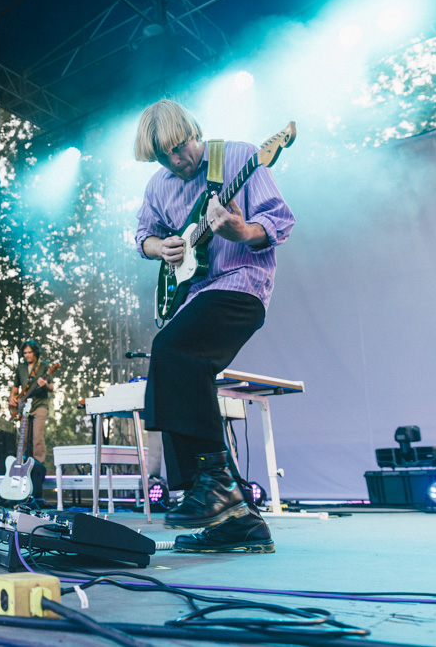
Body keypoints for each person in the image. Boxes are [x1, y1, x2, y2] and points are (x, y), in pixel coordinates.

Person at [133, 99, 295, 553]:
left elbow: (279, 219)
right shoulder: (158, 185)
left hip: (243, 284)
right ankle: (239, 519)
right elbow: (142, 235)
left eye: (179, 148)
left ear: (192, 132)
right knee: (175, 369)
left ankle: (214, 482)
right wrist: (158, 248)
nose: (175, 161)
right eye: (163, 156)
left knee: (172, 351)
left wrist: (242, 233)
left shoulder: (240, 156)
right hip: (195, 293)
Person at [7, 340, 55, 499]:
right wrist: (12, 398)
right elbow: (15, 387)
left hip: (40, 404)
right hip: (23, 405)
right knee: (23, 437)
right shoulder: (20, 368)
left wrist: (45, 384)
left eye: (29, 352)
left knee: (37, 437)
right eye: (25, 353)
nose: (27, 355)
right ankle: (20, 468)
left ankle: (38, 468)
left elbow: (52, 388)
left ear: (35, 352)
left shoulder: (45, 366)